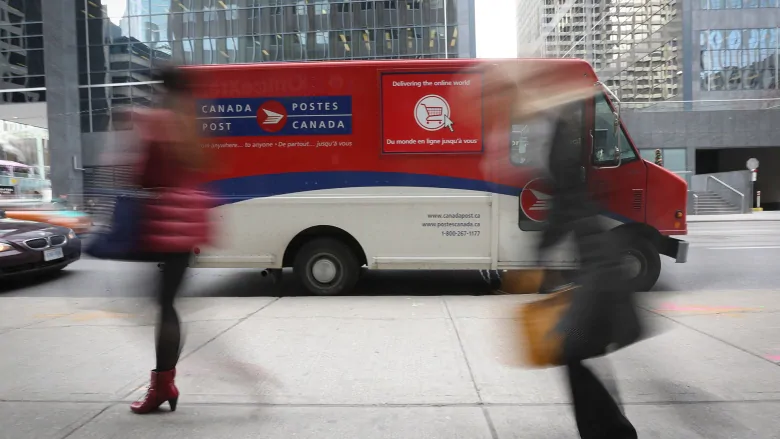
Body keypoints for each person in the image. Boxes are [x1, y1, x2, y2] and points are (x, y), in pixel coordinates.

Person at [537, 102, 642, 439]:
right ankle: (611, 429)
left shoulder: (570, 189)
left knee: (572, 350)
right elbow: (556, 223)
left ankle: (613, 432)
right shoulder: (571, 188)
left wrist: (541, 263)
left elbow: (560, 223)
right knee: (578, 355)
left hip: (601, 289)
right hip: (599, 287)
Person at [129, 66, 213, 414]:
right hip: (191, 219)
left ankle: (163, 385)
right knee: (167, 303)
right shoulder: (192, 121)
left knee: (164, 305)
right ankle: (164, 382)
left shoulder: (159, 120)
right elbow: (204, 165)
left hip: (168, 220)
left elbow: (143, 175)